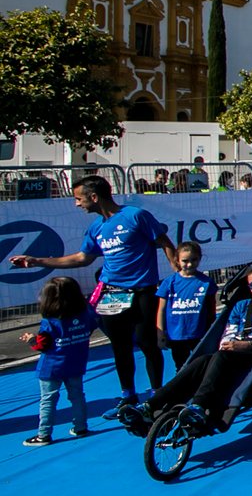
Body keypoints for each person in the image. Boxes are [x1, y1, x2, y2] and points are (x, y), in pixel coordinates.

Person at [9, 174, 178, 417]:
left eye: (79, 199)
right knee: (120, 346)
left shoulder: (135, 216)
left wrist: (176, 269)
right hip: (112, 293)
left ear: (94, 197)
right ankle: (128, 396)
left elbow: (164, 242)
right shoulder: (96, 227)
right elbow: (82, 258)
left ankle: (156, 395)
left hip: (143, 291)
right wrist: (37, 261)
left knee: (146, 343)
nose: (77, 204)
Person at [121, 264, 252, 433]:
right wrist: (229, 344)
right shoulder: (241, 305)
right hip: (232, 351)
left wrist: (249, 345)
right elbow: (229, 332)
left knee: (219, 358)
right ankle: (150, 405)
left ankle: (199, 405)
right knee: (202, 360)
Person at [20, 277, 95, 445]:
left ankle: (43, 434)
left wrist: (31, 340)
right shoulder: (85, 314)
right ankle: (81, 427)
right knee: (77, 396)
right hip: (76, 362)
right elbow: (90, 327)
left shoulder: (50, 322)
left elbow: (42, 345)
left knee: (48, 400)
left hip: (52, 367)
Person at [156, 241, 217, 369]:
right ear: (177, 260)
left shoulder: (206, 282)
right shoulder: (169, 282)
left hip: (199, 334)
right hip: (176, 335)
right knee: (181, 366)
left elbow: (211, 309)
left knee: (202, 365)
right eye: (185, 261)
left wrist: (212, 331)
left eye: (194, 260)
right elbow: (161, 309)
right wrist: (160, 333)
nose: (189, 264)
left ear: (200, 258)